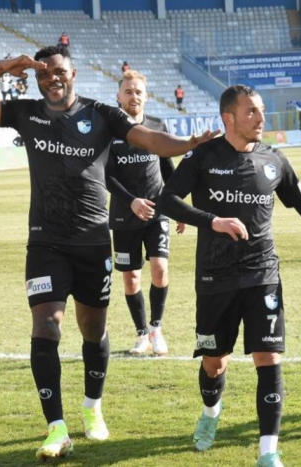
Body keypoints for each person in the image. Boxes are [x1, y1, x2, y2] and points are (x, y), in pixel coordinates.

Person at [0, 44, 219, 461]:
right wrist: (2, 67)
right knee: (47, 325)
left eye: (58, 71)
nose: (51, 79)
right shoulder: (25, 113)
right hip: (45, 241)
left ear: (73, 74)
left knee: (93, 329)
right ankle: (56, 428)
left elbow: (149, 139)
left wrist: (187, 143)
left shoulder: (101, 114)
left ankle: (93, 405)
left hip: (93, 241)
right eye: (43, 74)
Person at [157, 84, 301, 467]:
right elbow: (166, 200)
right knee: (214, 362)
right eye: (251, 111)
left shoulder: (273, 159)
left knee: (268, 356)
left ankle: (268, 452)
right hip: (215, 278)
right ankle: (211, 413)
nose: (260, 117)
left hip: (262, 273)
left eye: (261, 110)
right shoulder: (203, 157)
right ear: (229, 118)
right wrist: (213, 221)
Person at [106, 69, 185, 356]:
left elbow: (167, 168)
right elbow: (106, 176)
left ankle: (156, 329)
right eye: (128, 92)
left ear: (146, 96)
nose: (134, 96)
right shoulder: (110, 129)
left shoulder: (156, 125)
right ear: (119, 96)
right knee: (131, 278)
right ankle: (141, 335)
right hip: (124, 214)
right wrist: (131, 201)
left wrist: (178, 206)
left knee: (160, 269)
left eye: (138, 92)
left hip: (156, 211)